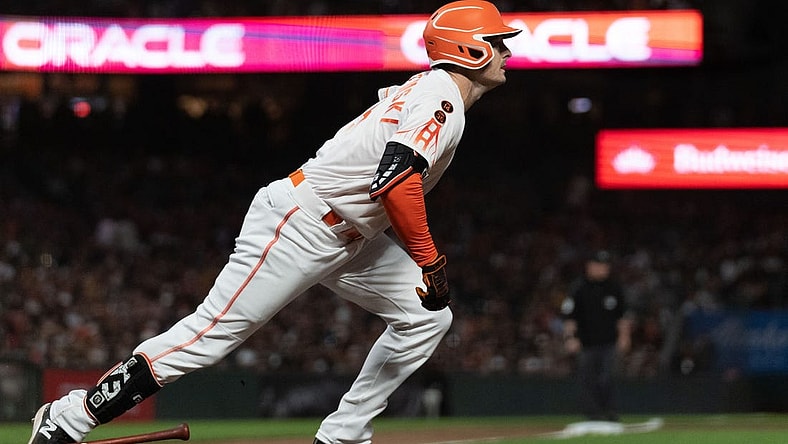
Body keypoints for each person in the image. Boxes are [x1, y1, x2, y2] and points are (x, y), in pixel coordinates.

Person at [28, 2, 522, 444]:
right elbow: (395, 182)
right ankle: (69, 417)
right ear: (470, 49)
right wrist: (429, 260)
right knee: (207, 338)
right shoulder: (443, 99)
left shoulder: (433, 91)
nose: (506, 52)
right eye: (498, 42)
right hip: (303, 222)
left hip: (348, 232)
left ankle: (344, 434)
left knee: (426, 317)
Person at [561, 250, 632, 422]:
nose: (603, 269)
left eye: (605, 266)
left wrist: (624, 337)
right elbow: (570, 317)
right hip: (586, 344)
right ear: (590, 266)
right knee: (587, 379)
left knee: (607, 378)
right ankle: (592, 414)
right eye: (599, 265)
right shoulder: (578, 288)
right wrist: (570, 338)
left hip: (609, 342)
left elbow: (622, 316)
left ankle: (610, 411)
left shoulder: (614, 287)